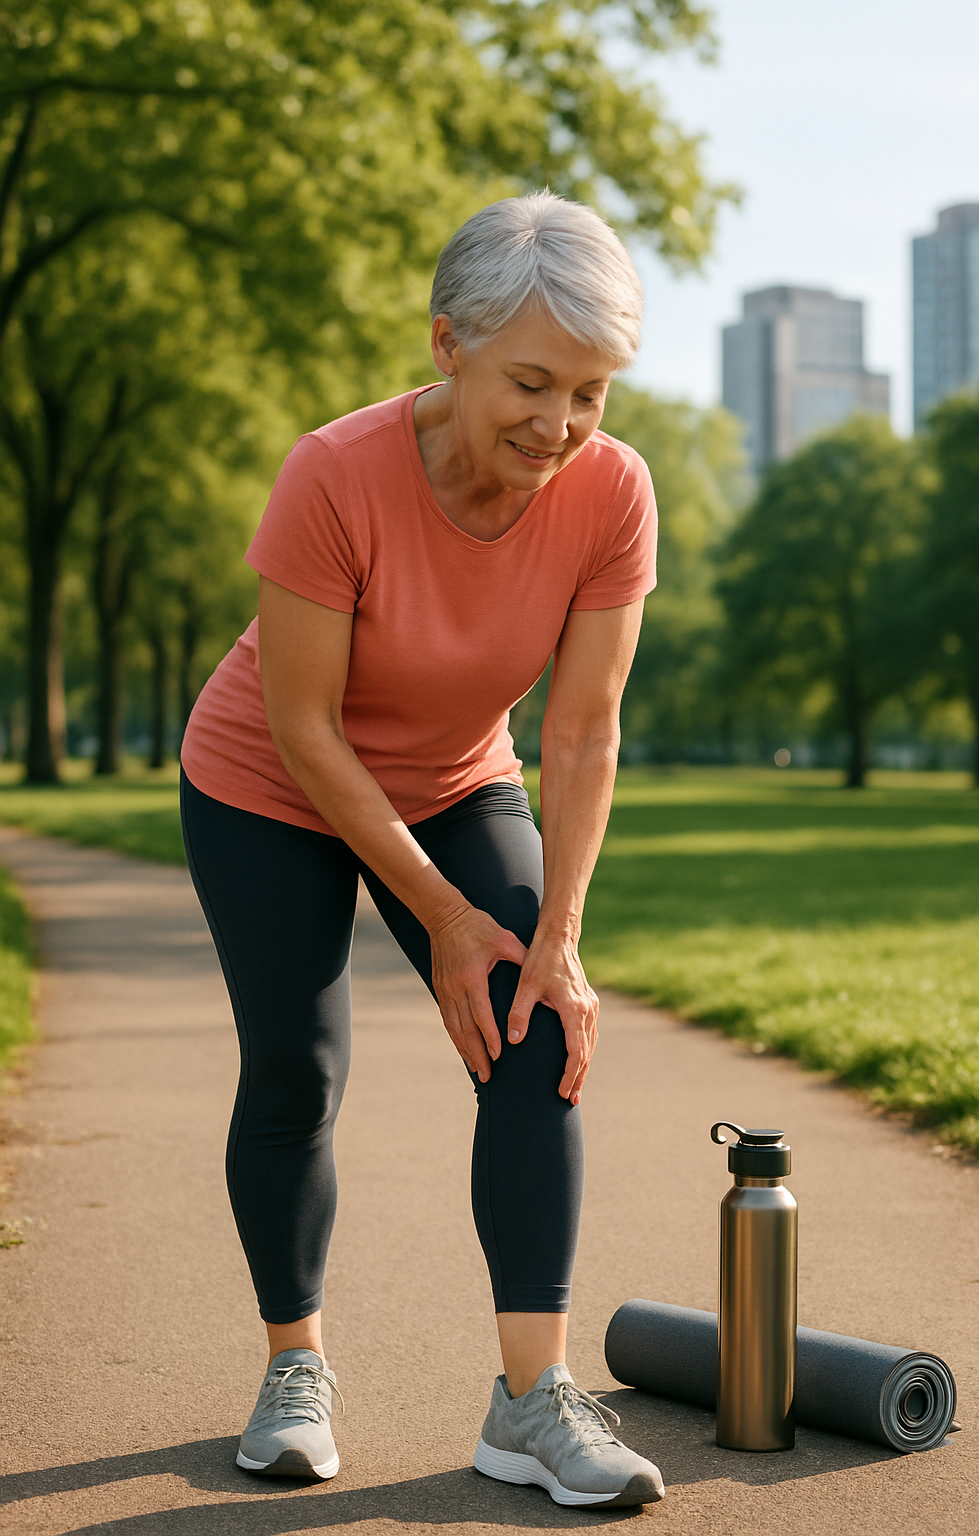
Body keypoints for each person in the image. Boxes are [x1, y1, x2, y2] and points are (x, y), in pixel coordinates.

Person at [179, 190, 664, 1510]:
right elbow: (305, 728)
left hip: (458, 773)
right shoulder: (334, 473)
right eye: (531, 382)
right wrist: (449, 918)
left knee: (536, 1034)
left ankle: (530, 1404)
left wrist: (549, 941)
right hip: (268, 781)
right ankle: (295, 1366)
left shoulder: (611, 493)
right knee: (298, 1065)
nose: (560, 426)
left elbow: (580, 732)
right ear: (448, 341)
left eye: (592, 394)